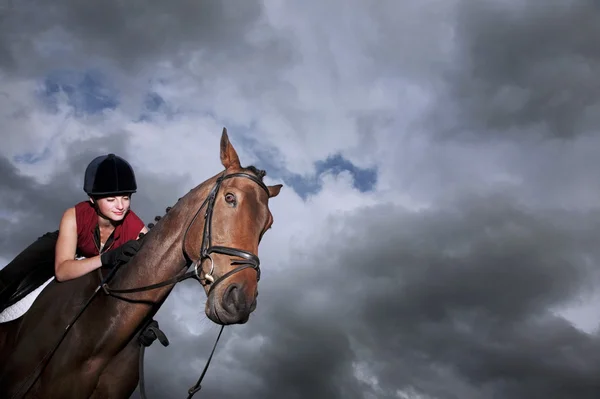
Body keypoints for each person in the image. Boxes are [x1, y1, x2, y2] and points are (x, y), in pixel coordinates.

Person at [0, 153, 148, 313]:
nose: (120, 206)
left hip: (96, 262)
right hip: (63, 246)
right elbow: (62, 272)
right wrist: (106, 258)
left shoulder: (137, 230)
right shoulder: (73, 215)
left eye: (126, 198)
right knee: (10, 275)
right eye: (111, 200)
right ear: (93, 199)